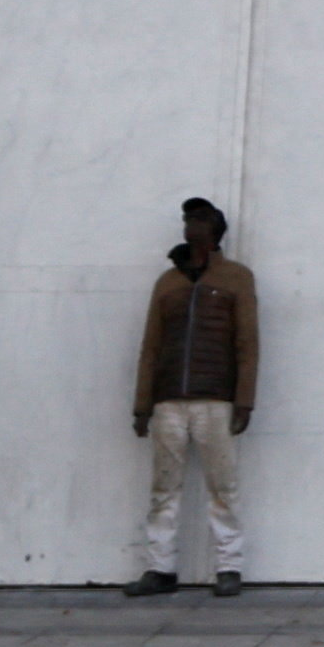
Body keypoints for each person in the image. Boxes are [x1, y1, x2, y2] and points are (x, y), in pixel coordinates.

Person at [125, 195, 256, 594]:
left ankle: (229, 568)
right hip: (168, 401)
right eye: (187, 220)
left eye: (198, 220)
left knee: (223, 487)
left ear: (214, 230)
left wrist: (244, 399)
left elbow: (247, 343)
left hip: (215, 399)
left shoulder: (236, 277)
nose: (190, 226)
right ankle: (160, 569)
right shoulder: (167, 283)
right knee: (164, 487)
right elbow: (150, 346)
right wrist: (143, 406)